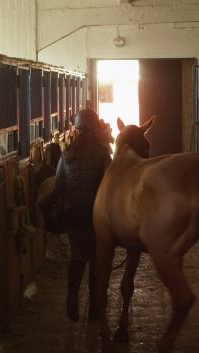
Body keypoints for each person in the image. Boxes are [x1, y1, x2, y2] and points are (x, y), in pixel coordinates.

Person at [55, 109, 112, 321]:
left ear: (77, 129)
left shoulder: (66, 152)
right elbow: (110, 182)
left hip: (73, 213)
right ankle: (94, 311)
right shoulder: (102, 152)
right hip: (95, 214)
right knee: (96, 260)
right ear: (95, 129)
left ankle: (72, 298)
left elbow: (59, 185)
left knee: (77, 255)